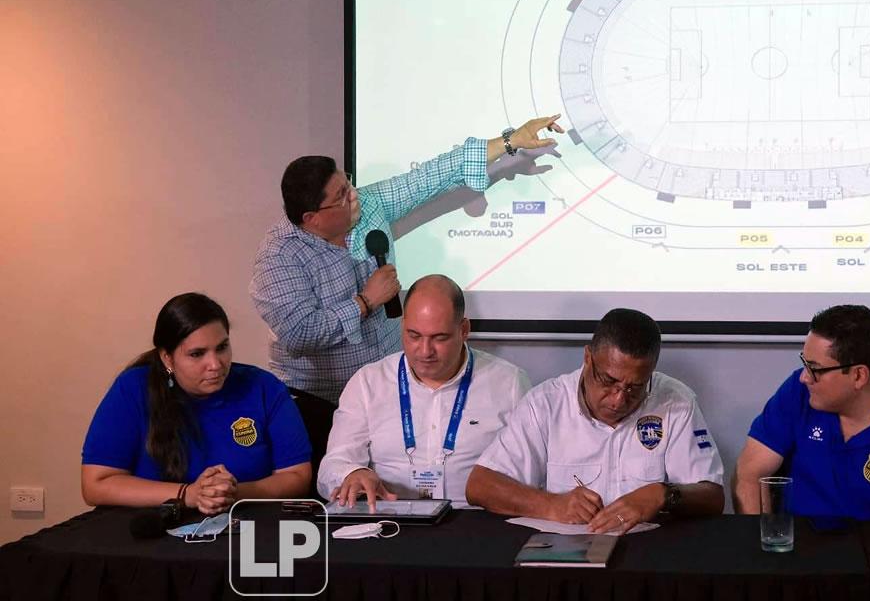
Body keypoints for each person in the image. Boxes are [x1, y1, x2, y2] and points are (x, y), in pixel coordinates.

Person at [249, 115, 563, 480]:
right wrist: (365, 302)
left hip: (391, 392)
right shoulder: (278, 257)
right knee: (337, 493)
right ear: (312, 217)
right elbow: (301, 334)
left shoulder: (368, 208)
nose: (355, 195)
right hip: (318, 400)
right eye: (342, 196)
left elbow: (427, 178)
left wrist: (508, 142)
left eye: (348, 184)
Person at [466, 308, 725, 533]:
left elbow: (713, 496)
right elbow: (480, 485)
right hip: (569, 559)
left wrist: (664, 495)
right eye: (608, 381)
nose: (618, 400)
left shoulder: (675, 401)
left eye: (635, 387)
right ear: (588, 358)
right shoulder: (546, 403)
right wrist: (551, 505)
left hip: (651, 555)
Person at [81, 293, 311, 514]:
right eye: (197, 354)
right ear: (167, 358)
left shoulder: (263, 387)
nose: (215, 364)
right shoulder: (133, 389)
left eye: (222, 348)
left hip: (245, 530)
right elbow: (96, 485)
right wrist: (188, 494)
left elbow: (297, 476)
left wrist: (233, 494)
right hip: (152, 535)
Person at [318, 275, 530, 506]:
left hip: (477, 519)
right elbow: (333, 465)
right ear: (402, 327)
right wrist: (352, 474)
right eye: (414, 336)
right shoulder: (368, 382)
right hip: (392, 521)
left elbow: (531, 472)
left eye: (439, 338)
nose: (425, 351)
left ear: (464, 330)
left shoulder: (509, 383)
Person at [732, 304, 870, 521]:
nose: (804, 377)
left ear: (859, 376)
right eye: (804, 363)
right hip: (797, 549)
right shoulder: (798, 393)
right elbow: (749, 475)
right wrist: (765, 544)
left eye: (815, 368)